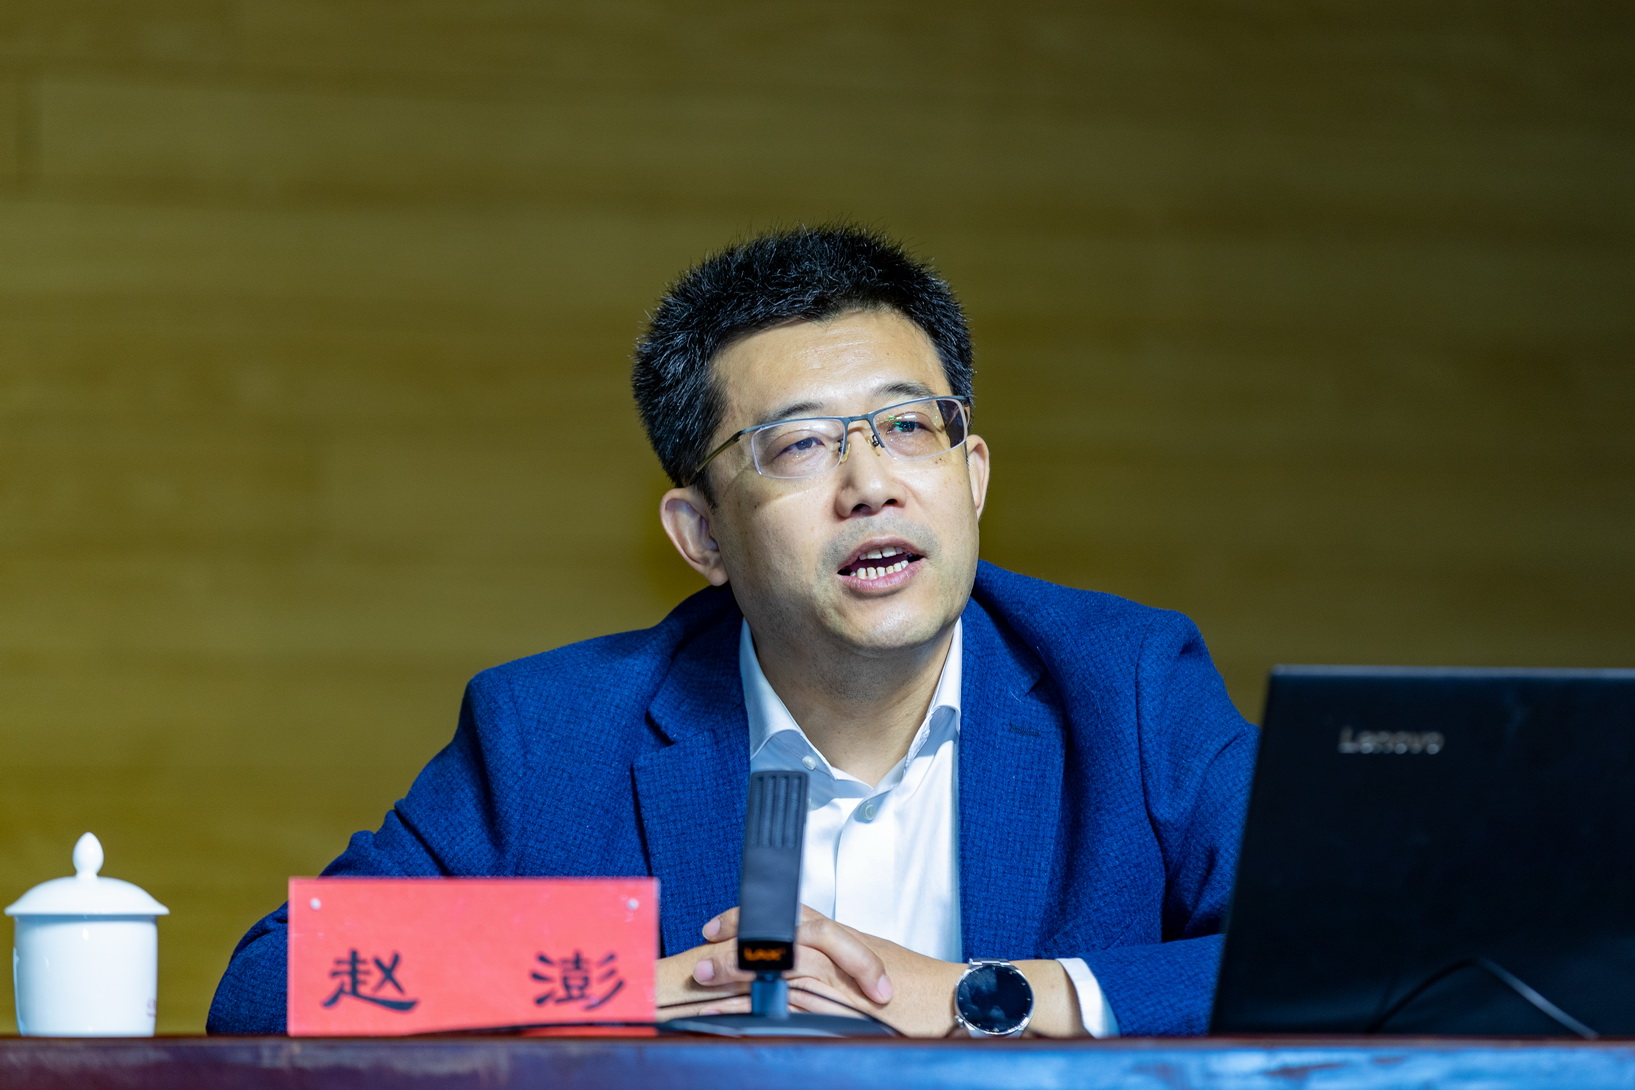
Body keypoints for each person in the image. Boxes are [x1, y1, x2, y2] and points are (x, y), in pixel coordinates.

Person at [207, 226, 1256, 1037]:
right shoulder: (553, 734)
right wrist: (622, 985)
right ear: (702, 534)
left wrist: (984, 996)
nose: (871, 485)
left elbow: (1340, 952)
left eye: (906, 426)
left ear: (971, 475)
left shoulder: (1126, 685)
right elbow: (270, 981)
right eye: (799, 446)